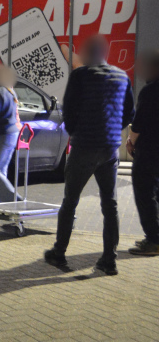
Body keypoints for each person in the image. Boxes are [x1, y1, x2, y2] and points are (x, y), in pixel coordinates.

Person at [44, 36, 134, 276]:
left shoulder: (80, 75)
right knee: (110, 204)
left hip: (84, 146)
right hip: (110, 149)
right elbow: (129, 112)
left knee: (70, 202)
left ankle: (59, 252)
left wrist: (75, 133)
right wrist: (113, 130)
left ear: (86, 54)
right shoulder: (121, 76)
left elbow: (69, 110)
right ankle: (109, 259)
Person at [126, 52, 159, 255]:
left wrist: (131, 142)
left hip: (149, 152)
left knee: (145, 195)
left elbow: (138, 124)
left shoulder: (150, 92)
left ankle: (154, 240)